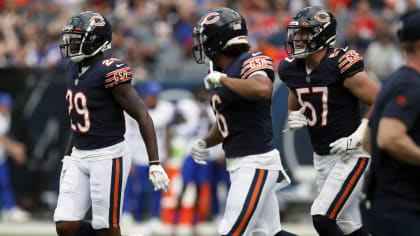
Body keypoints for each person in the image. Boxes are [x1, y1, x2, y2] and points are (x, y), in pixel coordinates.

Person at [53, 11, 170, 236]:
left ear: (95, 42)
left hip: (108, 155)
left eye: (77, 40)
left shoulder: (110, 71)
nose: (71, 44)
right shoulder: (72, 68)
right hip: (80, 154)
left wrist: (154, 162)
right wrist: (68, 155)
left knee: (106, 226)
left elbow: (142, 115)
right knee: (65, 225)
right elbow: (78, 121)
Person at [190, 7, 295, 236]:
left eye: (204, 38)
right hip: (241, 162)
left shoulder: (249, 60)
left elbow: (262, 89)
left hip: (254, 161)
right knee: (268, 233)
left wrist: (224, 80)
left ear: (218, 40)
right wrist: (204, 142)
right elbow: (226, 121)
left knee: (230, 232)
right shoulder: (222, 72)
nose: (200, 45)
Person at [278, 6, 379, 236]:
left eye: (303, 33)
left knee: (322, 218)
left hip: (351, 154)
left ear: (321, 36)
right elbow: (296, 90)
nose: (296, 38)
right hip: (321, 156)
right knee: (349, 226)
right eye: (295, 33)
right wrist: (295, 112)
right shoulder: (290, 68)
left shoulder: (338, 64)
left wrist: (359, 135)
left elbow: (379, 99)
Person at [362, 11, 420, 236]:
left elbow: (368, 139)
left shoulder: (397, 80)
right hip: (401, 209)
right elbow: (388, 137)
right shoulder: (409, 85)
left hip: (392, 203)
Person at [122, 81, 174, 231]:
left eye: (156, 96)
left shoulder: (166, 109)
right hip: (137, 155)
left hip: (158, 156)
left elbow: (167, 133)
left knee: (158, 188)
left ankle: (155, 218)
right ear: (145, 96)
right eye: (151, 96)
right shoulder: (134, 108)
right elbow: (128, 135)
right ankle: (135, 219)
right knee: (137, 190)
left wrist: (168, 155)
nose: (153, 99)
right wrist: (128, 157)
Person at [0, 92, 30, 223]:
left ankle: (9, 208)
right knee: (4, 183)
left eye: (8, 105)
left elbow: (4, 137)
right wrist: (14, 150)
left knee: (5, 183)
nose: (7, 107)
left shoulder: (6, 117)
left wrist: (15, 146)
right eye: (4, 105)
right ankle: (10, 209)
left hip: (1, 157)